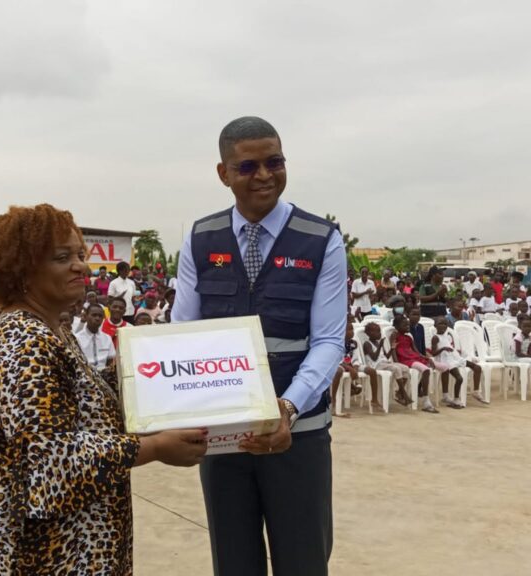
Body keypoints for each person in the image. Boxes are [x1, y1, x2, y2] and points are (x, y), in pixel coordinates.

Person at [0, 204, 207, 574]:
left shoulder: (53, 331)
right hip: (17, 549)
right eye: (62, 257)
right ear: (22, 270)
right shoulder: (24, 341)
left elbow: (81, 409)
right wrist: (156, 447)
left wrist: (157, 376)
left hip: (52, 544)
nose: (81, 265)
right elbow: (52, 463)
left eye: (81, 254)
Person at [172, 117, 345, 575]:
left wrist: (287, 409)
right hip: (224, 438)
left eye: (275, 162)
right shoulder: (199, 238)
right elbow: (182, 333)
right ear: (224, 173)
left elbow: (328, 340)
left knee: (303, 560)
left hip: (298, 434)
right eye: (248, 166)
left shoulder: (321, 238)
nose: (265, 175)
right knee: (234, 563)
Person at [391, 315, 439, 413]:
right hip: (405, 360)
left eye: (408, 325)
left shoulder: (409, 337)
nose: (408, 327)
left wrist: (425, 357)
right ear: (396, 326)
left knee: (430, 366)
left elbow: (416, 351)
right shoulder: (394, 335)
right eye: (404, 325)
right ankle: (426, 401)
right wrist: (396, 362)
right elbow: (393, 350)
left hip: (413, 358)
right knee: (425, 370)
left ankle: (403, 392)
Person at [362, 321, 413, 406]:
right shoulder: (367, 344)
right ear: (370, 333)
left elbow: (386, 356)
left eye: (379, 331)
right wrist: (379, 346)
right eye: (377, 331)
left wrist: (392, 348)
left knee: (405, 368)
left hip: (385, 363)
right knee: (396, 368)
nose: (379, 333)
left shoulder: (378, 343)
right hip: (376, 365)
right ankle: (405, 395)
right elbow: (374, 358)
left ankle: (400, 392)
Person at [74, 303, 116, 371]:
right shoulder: (77, 338)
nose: (97, 318)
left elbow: (110, 361)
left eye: (100, 316)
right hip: (86, 374)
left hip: (105, 374)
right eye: (94, 315)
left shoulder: (107, 338)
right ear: (86, 316)